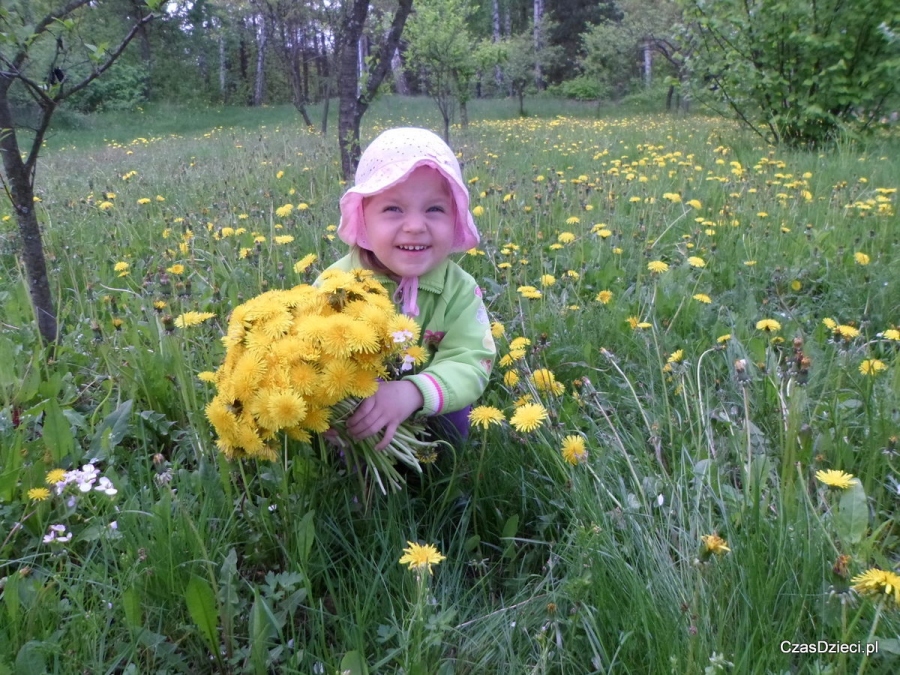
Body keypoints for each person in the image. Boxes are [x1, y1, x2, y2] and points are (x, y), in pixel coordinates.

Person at [318, 127, 496, 451]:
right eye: (393, 209)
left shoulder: (459, 291)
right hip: (359, 411)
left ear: (455, 219)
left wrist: (413, 392)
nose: (415, 226)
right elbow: (311, 347)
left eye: (434, 209)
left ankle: (441, 481)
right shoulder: (339, 285)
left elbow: (471, 360)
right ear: (364, 219)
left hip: (428, 411)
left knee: (454, 417)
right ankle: (353, 481)